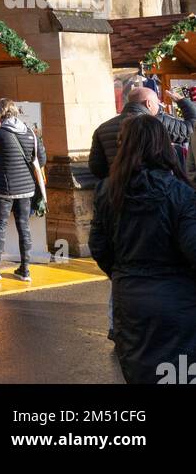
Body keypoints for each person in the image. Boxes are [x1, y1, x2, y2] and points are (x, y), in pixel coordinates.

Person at [89, 113, 196, 384]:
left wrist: (123, 272)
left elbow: (99, 247)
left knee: (141, 374)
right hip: (177, 299)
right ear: (164, 146)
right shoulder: (181, 193)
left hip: (130, 298)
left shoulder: (106, 192)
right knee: (180, 376)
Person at [0, 98, 46, 282]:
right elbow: (41, 160)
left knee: (0, 225)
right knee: (24, 226)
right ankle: (25, 270)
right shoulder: (30, 132)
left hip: (3, 188)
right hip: (27, 188)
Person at [89, 85, 192, 178]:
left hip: (118, 191)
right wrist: (182, 101)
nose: (159, 107)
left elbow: (97, 167)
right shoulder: (157, 122)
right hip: (155, 189)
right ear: (149, 104)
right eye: (157, 104)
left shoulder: (102, 128)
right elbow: (191, 129)